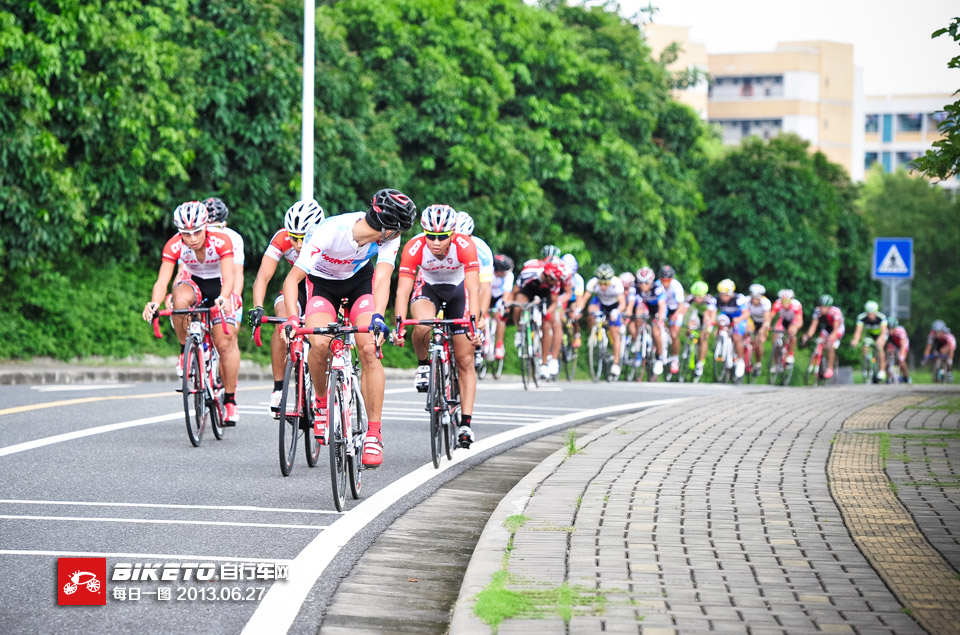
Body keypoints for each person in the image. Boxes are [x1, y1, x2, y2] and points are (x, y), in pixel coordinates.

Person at [281, 188, 416, 469]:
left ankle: (374, 435)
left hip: (360, 282)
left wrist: (377, 316)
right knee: (318, 343)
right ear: (388, 228)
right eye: (399, 229)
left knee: (369, 347)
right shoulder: (329, 232)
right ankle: (320, 403)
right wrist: (293, 319)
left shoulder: (389, 237)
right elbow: (292, 281)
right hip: (323, 286)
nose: (398, 234)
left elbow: (382, 278)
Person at [142, 201, 241, 425]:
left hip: (220, 284)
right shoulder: (174, 245)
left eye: (197, 232)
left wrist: (225, 297)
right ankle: (184, 348)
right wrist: (154, 302)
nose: (192, 238)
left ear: (206, 226)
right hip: (194, 283)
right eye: (186, 234)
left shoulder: (221, 240)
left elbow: (230, 276)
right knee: (178, 300)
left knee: (224, 342)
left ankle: (230, 401)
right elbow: (162, 280)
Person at [395, 204, 483, 448]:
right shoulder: (414, 247)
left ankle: (465, 423)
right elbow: (402, 291)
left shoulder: (465, 246)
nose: (435, 241)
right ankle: (424, 365)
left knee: (465, 360)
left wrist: (473, 326)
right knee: (423, 324)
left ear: (452, 234)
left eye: (442, 236)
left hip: (458, 291)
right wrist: (400, 325)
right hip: (428, 288)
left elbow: (474, 289)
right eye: (430, 235)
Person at [248, 200, 325, 413]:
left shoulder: (328, 236)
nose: (299, 245)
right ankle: (279, 388)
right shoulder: (282, 238)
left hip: (325, 286)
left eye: (304, 238)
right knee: (282, 318)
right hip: (298, 285)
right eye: (294, 238)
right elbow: (263, 277)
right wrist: (257, 307)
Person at [511, 256, 567, 377]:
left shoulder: (555, 281)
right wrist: (507, 304)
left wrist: (547, 313)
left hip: (545, 294)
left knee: (547, 324)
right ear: (547, 275)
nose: (557, 283)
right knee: (518, 306)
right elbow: (516, 291)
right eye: (554, 281)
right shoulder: (529, 272)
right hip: (528, 289)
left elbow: (554, 302)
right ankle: (519, 330)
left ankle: (544, 363)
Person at [456, 211, 494, 371]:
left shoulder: (482, 251)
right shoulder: (442, 243)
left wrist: (481, 316)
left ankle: (477, 346)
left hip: (472, 282)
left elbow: (484, 288)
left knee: (475, 293)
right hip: (451, 281)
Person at [582, 264, 626, 378]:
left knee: (614, 333)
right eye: (601, 283)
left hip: (614, 305)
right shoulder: (593, 283)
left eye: (605, 283)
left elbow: (622, 303)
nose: (603, 287)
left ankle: (616, 363)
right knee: (591, 311)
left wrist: (616, 312)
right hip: (600, 303)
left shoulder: (617, 284)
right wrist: (578, 309)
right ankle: (594, 334)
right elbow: (585, 298)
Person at [630, 267, 667, 376]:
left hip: (656, 308)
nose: (643, 286)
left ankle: (659, 356)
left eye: (646, 283)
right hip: (644, 307)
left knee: (656, 331)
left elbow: (662, 306)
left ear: (651, 282)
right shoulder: (635, 288)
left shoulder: (657, 288)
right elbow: (630, 305)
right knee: (637, 313)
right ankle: (639, 339)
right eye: (640, 283)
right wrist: (627, 316)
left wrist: (660, 318)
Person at [803, 294, 845, 380]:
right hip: (827, 328)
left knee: (830, 345)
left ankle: (830, 368)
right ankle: (819, 365)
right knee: (819, 342)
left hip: (837, 328)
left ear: (829, 307)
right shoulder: (817, 311)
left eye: (825, 307)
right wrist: (808, 336)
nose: (823, 309)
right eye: (821, 306)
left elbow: (835, 329)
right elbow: (813, 326)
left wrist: (831, 339)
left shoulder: (836, 312)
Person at [715, 279, 749, 379]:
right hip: (726, 316)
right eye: (722, 295)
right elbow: (712, 313)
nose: (723, 297)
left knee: (736, 337)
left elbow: (746, 313)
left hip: (739, 318)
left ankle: (740, 360)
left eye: (726, 295)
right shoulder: (717, 299)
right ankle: (721, 345)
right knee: (720, 322)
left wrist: (739, 319)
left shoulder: (739, 299)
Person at [683, 281, 717, 379]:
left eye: (700, 296)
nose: (697, 299)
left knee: (703, 337)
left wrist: (708, 327)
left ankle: (700, 363)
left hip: (707, 317)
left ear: (705, 295)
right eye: (695, 296)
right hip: (697, 315)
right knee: (690, 324)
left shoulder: (710, 300)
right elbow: (683, 311)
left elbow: (712, 316)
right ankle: (689, 345)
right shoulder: (690, 298)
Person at [849, 300, 888, 382]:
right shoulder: (861, 318)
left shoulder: (881, 317)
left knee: (880, 347)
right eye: (869, 313)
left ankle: (882, 370)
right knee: (865, 345)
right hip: (870, 335)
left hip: (880, 334)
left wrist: (880, 340)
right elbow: (858, 332)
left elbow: (884, 332)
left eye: (873, 313)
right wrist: (855, 340)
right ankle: (867, 362)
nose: (871, 315)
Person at [658, 265, 686, 376]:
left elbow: (681, 306)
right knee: (657, 327)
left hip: (675, 309)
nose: (665, 283)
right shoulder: (657, 285)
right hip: (663, 307)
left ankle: (675, 358)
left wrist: (675, 316)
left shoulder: (676, 286)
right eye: (663, 280)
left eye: (667, 280)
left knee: (674, 334)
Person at [770, 289, 804, 365]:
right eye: (783, 302)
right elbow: (770, 316)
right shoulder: (777, 303)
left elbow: (800, 321)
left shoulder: (796, 305)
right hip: (783, 320)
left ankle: (790, 354)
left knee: (792, 332)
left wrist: (795, 328)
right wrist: (766, 324)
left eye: (787, 302)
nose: (785, 304)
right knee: (775, 334)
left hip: (793, 321)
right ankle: (776, 362)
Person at [491, 254, 515, 360]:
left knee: (500, 316)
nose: (506, 274)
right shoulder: (488, 271)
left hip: (499, 297)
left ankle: (499, 344)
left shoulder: (509, 275)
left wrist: (503, 307)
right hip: (486, 294)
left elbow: (506, 293)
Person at [745, 283, 772, 377]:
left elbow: (767, 320)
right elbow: (745, 315)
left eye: (757, 298)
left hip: (762, 322)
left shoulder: (766, 302)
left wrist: (762, 330)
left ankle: (757, 364)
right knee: (744, 332)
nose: (755, 300)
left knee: (759, 341)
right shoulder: (746, 300)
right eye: (753, 298)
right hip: (751, 320)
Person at [562, 254, 586, 349]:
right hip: (563, 298)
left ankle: (576, 334)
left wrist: (578, 310)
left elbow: (579, 297)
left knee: (574, 314)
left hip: (573, 299)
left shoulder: (578, 279)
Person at [886, 316, 911, 383]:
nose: (891, 331)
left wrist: (901, 355)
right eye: (889, 329)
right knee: (888, 358)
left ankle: (906, 376)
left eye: (892, 329)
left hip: (902, 344)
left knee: (901, 360)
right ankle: (888, 377)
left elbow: (903, 345)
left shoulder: (900, 331)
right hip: (893, 344)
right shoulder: (885, 331)